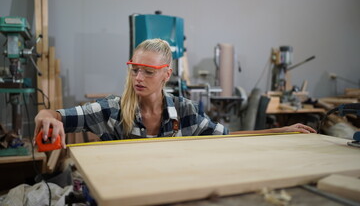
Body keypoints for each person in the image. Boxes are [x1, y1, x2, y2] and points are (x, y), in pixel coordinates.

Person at [33, 38, 316, 149]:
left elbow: (229, 137)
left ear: (167, 74)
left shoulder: (186, 112)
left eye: (148, 72)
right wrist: (49, 117)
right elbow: (52, 114)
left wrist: (283, 131)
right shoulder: (112, 110)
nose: (138, 78)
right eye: (134, 70)